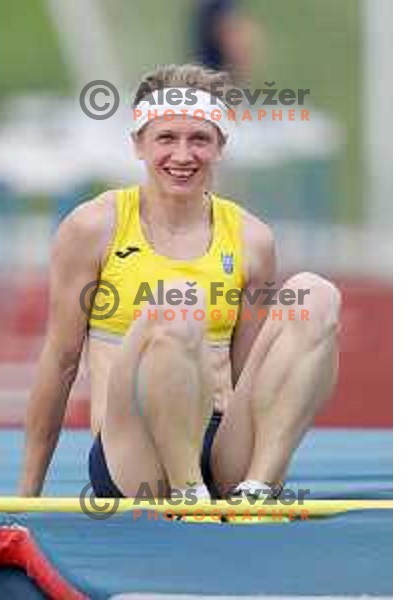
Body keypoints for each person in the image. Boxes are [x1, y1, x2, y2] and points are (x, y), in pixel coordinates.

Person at [19, 64, 341, 501]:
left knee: (315, 295)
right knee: (177, 306)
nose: (183, 156)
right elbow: (60, 361)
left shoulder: (252, 238)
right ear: (138, 144)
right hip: (137, 458)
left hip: (221, 447)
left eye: (199, 139)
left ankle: (257, 488)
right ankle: (188, 491)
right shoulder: (94, 227)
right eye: (167, 138)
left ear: (221, 146)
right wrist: (27, 495)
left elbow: (252, 372)